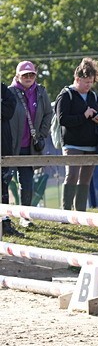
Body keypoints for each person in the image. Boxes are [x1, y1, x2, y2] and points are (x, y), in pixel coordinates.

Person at [55, 58, 98, 212]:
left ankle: (80, 212)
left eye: (91, 82)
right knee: (71, 175)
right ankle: (66, 211)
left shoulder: (93, 95)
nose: (89, 85)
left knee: (85, 178)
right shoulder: (66, 95)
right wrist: (84, 115)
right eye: (86, 82)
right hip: (72, 144)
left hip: (91, 144)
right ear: (77, 79)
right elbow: (63, 119)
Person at [6, 61, 52, 214]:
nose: (28, 77)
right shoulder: (9, 93)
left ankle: (25, 216)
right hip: (10, 147)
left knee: (27, 183)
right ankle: (4, 219)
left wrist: (41, 134)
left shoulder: (41, 92)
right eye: (25, 75)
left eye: (31, 74)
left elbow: (48, 114)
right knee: (4, 182)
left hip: (29, 147)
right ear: (17, 76)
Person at [1, 83, 20, 236]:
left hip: (3, 146)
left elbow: (9, 111)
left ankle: (5, 223)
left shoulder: (4, 90)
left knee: (3, 186)